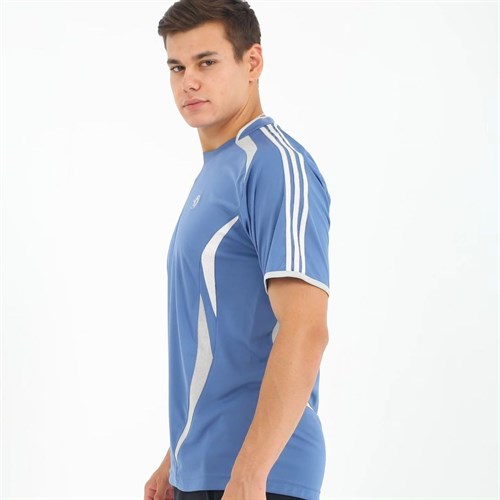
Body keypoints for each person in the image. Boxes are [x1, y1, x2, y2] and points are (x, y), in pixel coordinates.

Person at [144, 1, 331, 499]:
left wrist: (250, 474)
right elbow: (224, 340)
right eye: (177, 67)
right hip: (204, 471)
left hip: (260, 475)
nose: (189, 82)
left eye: (206, 62)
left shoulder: (275, 165)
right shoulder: (216, 173)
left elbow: (306, 329)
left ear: (252, 62)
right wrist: (176, 457)